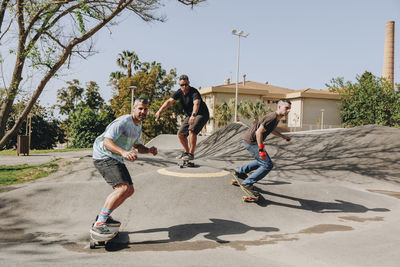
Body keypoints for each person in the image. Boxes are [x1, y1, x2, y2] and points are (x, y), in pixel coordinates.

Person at [91, 97, 158, 237]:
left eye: (145, 109)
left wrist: (149, 150)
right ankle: (100, 223)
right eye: (140, 108)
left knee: (130, 190)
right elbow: (106, 142)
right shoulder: (122, 122)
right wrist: (123, 152)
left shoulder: (138, 125)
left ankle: (104, 216)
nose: (143, 112)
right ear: (133, 109)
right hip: (103, 156)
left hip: (115, 157)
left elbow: (137, 146)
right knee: (122, 188)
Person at [233, 99, 292, 195]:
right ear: (279, 107)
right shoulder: (272, 117)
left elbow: (270, 130)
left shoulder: (276, 118)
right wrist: (261, 150)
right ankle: (247, 183)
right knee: (267, 164)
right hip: (252, 142)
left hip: (250, 140)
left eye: (289, 109)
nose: (288, 110)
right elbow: (259, 132)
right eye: (286, 108)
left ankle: (240, 171)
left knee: (262, 160)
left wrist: (283, 136)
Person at [155, 74, 209, 160]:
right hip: (190, 115)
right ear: (179, 85)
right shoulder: (179, 92)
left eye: (186, 84)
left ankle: (191, 154)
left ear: (189, 83)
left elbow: (197, 103)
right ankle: (186, 152)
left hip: (201, 114)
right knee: (181, 134)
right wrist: (160, 110)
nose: (184, 87)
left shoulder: (194, 91)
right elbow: (169, 101)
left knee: (192, 130)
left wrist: (193, 115)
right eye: (182, 85)